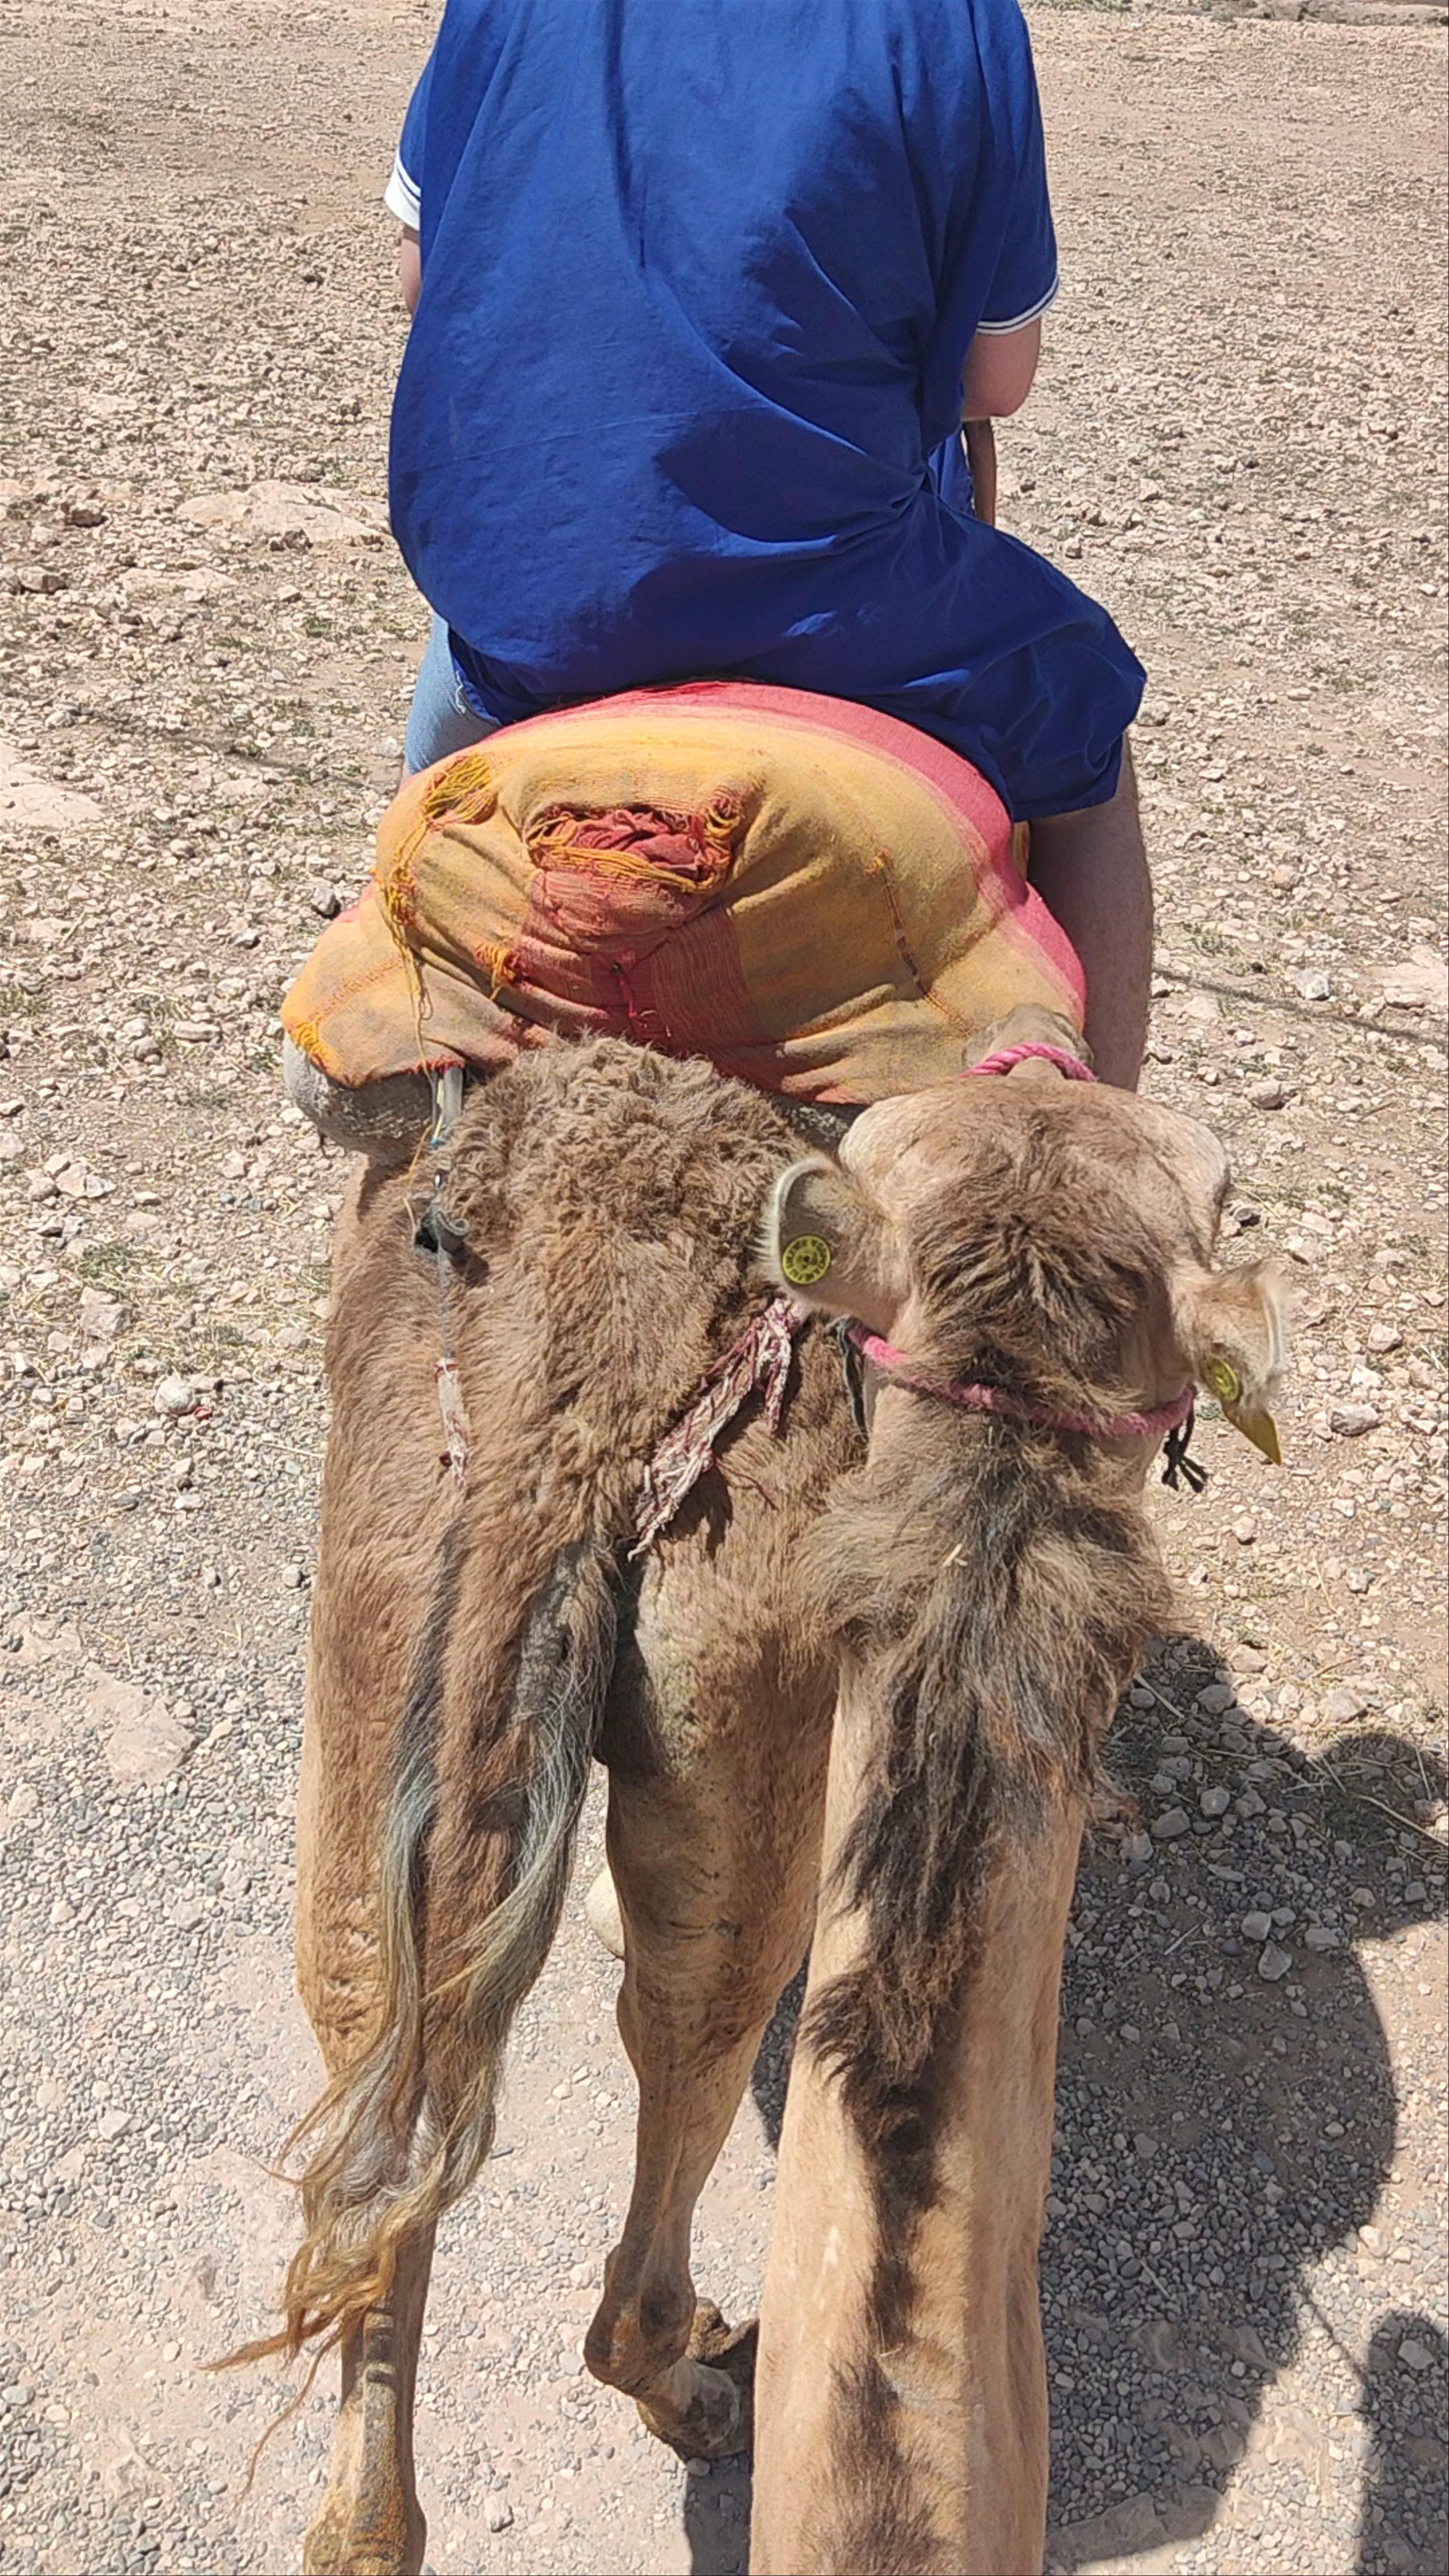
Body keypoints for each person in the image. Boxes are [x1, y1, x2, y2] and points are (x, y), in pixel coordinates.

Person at [382, 0, 1151, 1086]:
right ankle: (1090, 1146)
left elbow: (421, 280)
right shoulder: (957, 19)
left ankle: (409, 983)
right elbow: (996, 382)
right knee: (1086, 722)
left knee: (443, 739)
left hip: (544, 595)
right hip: (840, 610)